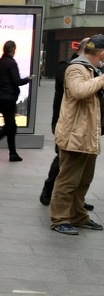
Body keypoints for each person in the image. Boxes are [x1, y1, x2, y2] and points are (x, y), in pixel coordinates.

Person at [48, 35, 104, 235]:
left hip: (88, 135)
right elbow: (79, 91)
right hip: (75, 136)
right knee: (68, 181)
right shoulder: (76, 68)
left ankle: (78, 216)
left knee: (84, 181)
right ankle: (60, 219)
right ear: (102, 53)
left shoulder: (95, 70)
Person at [40, 39, 95, 211]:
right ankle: (49, 187)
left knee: (81, 166)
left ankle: (76, 202)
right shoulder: (68, 67)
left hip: (84, 124)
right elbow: (77, 90)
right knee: (63, 158)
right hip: (64, 120)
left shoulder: (93, 69)